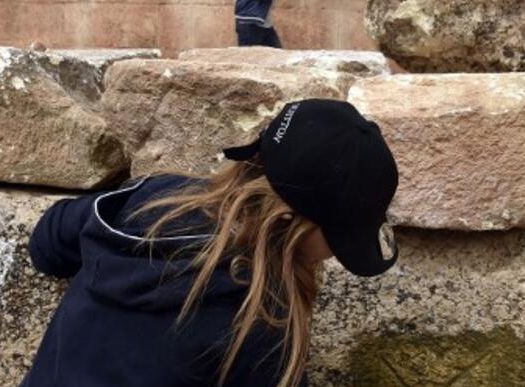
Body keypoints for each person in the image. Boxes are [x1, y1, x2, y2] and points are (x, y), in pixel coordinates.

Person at [20, 99, 399, 387]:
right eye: (339, 239)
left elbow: (46, 245)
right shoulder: (260, 327)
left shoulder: (150, 198)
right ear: (290, 222)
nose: (333, 255)